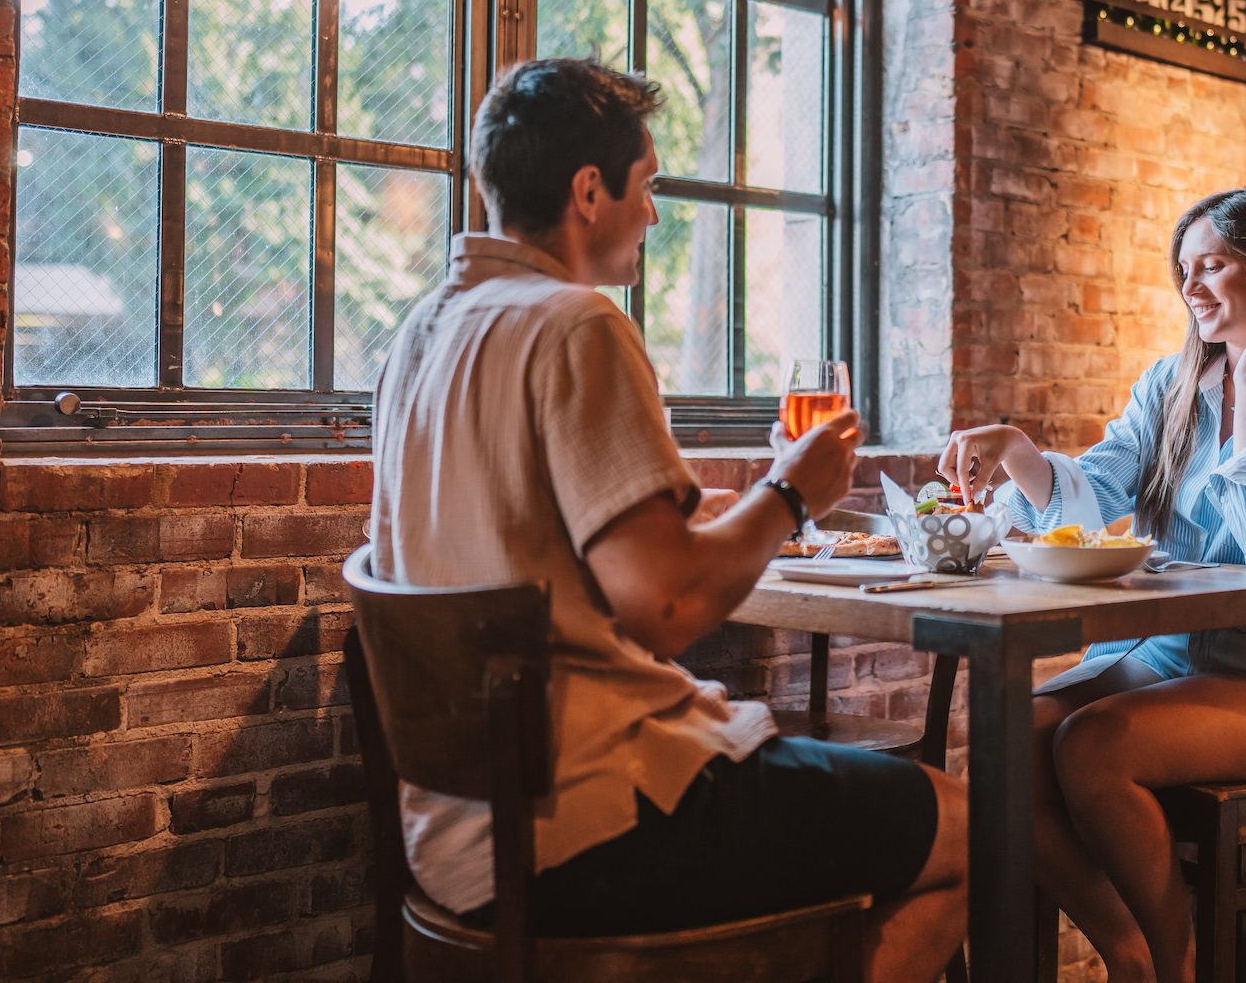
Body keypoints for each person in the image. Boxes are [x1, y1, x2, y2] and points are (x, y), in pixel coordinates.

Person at [370, 58, 966, 982]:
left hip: (452, 829)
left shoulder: (425, 330)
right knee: (976, 829)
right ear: (588, 191)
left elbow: (548, 548)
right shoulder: (578, 325)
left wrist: (740, 508)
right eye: (646, 188)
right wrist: (794, 493)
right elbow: (670, 607)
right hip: (593, 818)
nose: (653, 214)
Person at [940, 186, 1246, 983]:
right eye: (1184, 269)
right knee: (1003, 739)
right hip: (1163, 655)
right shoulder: (1171, 384)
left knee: (1093, 744)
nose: (1191, 288)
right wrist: (1014, 448)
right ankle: (1130, 950)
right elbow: (1097, 493)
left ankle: (1176, 955)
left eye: (1212, 265)